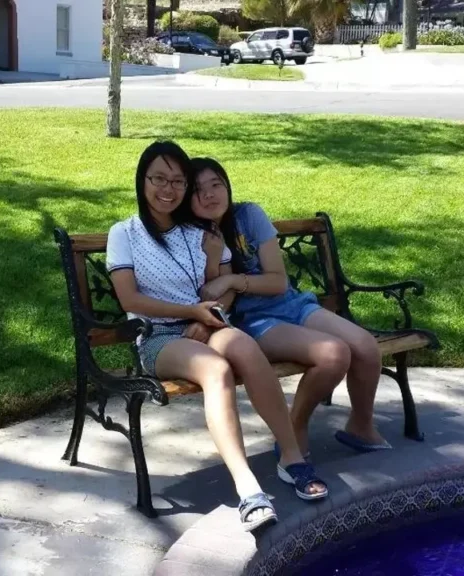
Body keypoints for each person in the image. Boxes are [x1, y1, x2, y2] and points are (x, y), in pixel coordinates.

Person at [105, 141, 328, 532]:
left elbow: (222, 289)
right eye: (159, 179)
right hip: (157, 336)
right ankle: (248, 487)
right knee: (216, 370)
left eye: (178, 181)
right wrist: (192, 313)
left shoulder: (201, 231)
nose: (168, 189)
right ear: (143, 181)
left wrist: (209, 306)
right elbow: (130, 299)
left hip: (207, 323)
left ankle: (292, 457)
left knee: (245, 347)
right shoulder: (125, 233)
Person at [189, 157, 392, 461]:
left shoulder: (249, 215)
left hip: (290, 304)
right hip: (250, 322)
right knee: (333, 355)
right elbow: (209, 294)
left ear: (227, 186)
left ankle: (360, 426)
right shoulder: (188, 235)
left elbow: (277, 282)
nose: (209, 194)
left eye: (216, 184)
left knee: (365, 345)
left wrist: (232, 279)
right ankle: (294, 425)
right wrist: (215, 260)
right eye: (197, 189)